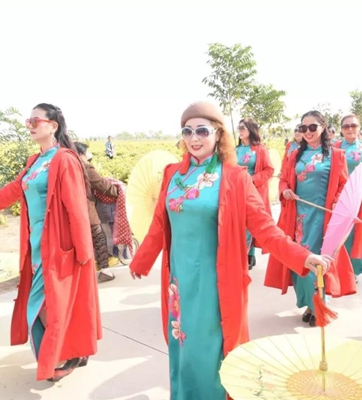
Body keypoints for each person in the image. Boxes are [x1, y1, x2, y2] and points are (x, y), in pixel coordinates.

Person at [128, 101, 333, 400]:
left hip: (216, 283)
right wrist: (141, 260)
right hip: (179, 282)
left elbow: (265, 228)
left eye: (202, 131)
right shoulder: (173, 174)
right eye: (187, 131)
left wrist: (303, 256)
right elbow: (160, 223)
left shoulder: (235, 178)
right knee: (182, 346)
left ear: (218, 134)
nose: (194, 138)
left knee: (211, 350)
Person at [0, 103, 101, 382]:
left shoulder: (65, 159)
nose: (30, 126)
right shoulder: (35, 161)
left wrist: (84, 252)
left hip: (58, 246)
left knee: (47, 304)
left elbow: (76, 207)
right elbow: (15, 188)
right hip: (35, 245)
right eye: (28, 121)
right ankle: (67, 352)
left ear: (53, 126)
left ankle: (62, 355)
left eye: (36, 121)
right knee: (45, 303)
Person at [265, 111, 356, 327]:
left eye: (313, 127)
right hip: (298, 217)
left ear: (323, 127)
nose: (308, 132)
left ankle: (318, 306)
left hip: (323, 218)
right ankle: (309, 304)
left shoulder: (336, 155)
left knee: (318, 262)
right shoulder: (295, 155)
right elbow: (284, 179)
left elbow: (343, 185)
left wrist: (336, 204)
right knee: (299, 260)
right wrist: (285, 190)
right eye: (303, 128)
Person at [334, 115, 362, 278]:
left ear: (359, 128)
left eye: (353, 125)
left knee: (358, 233)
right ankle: (339, 269)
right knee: (340, 233)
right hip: (339, 198)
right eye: (346, 126)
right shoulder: (335, 147)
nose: (350, 129)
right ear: (341, 129)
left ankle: (354, 270)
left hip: (360, 197)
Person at [74, 141, 118, 283]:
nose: (89, 154)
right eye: (87, 151)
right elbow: (101, 184)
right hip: (86, 210)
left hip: (70, 211)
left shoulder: (68, 166)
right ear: (81, 154)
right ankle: (105, 271)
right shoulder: (85, 167)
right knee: (99, 238)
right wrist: (118, 191)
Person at [236, 117, 274, 269]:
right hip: (236, 192)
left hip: (252, 192)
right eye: (239, 128)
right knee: (239, 223)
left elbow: (269, 170)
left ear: (251, 130)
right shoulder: (235, 150)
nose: (240, 131)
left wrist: (252, 180)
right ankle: (246, 254)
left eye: (242, 128)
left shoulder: (260, 149)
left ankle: (245, 255)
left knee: (249, 224)